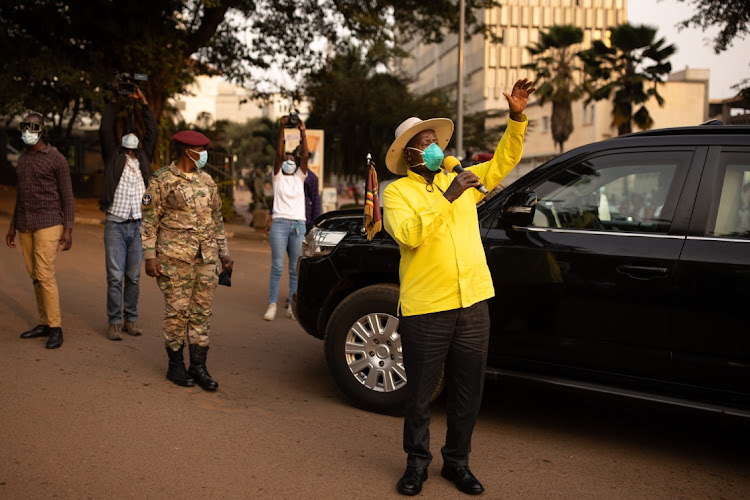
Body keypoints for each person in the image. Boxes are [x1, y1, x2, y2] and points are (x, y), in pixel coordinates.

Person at [383, 78, 535, 496]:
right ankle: (416, 463)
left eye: (436, 141)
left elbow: (504, 161)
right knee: (420, 394)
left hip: (473, 303)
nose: (435, 148)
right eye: (425, 142)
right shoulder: (397, 193)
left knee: (468, 390)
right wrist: (448, 195)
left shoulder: (464, 179)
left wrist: (516, 117)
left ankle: (457, 462)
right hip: (427, 307)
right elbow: (410, 235)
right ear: (410, 153)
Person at [140, 130, 234, 390]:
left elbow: (217, 220)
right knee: (177, 313)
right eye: (200, 150)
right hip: (174, 259)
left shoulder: (207, 181)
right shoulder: (162, 180)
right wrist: (150, 257)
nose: (203, 155)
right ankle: (175, 366)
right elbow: (149, 221)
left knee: (201, 313)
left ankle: (199, 367)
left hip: (206, 259)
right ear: (187, 152)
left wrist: (223, 252)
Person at [5, 112, 74, 349]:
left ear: (42, 131)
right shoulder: (23, 159)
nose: (27, 133)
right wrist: (13, 225)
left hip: (49, 222)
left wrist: (69, 229)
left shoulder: (56, 159)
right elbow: (20, 195)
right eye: (24, 128)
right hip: (25, 223)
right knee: (35, 276)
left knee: (45, 275)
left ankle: (56, 328)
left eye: (32, 129)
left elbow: (67, 196)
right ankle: (44, 322)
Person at [99, 86, 157, 341]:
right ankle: (114, 321)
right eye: (128, 134)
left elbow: (152, 131)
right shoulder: (113, 155)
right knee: (114, 277)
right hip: (115, 225)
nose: (132, 137)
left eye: (135, 134)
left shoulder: (144, 157)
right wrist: (114, 100)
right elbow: (104, 129)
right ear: (122, 139)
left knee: (133, 277)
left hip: (138, 227)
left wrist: (144, 102)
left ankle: (130, 319)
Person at [263, 115, 308, 321]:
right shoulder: (278, 177)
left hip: (298, 225)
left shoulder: (300, 176)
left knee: (294, 268)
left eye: (292, 159)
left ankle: (291, 304)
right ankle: (272, 304)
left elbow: (305, 155)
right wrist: (281, 128)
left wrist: (303, 132)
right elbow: (278, 154)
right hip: (279, 224)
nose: (289, 161)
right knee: (277, 266)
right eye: (286, 160)